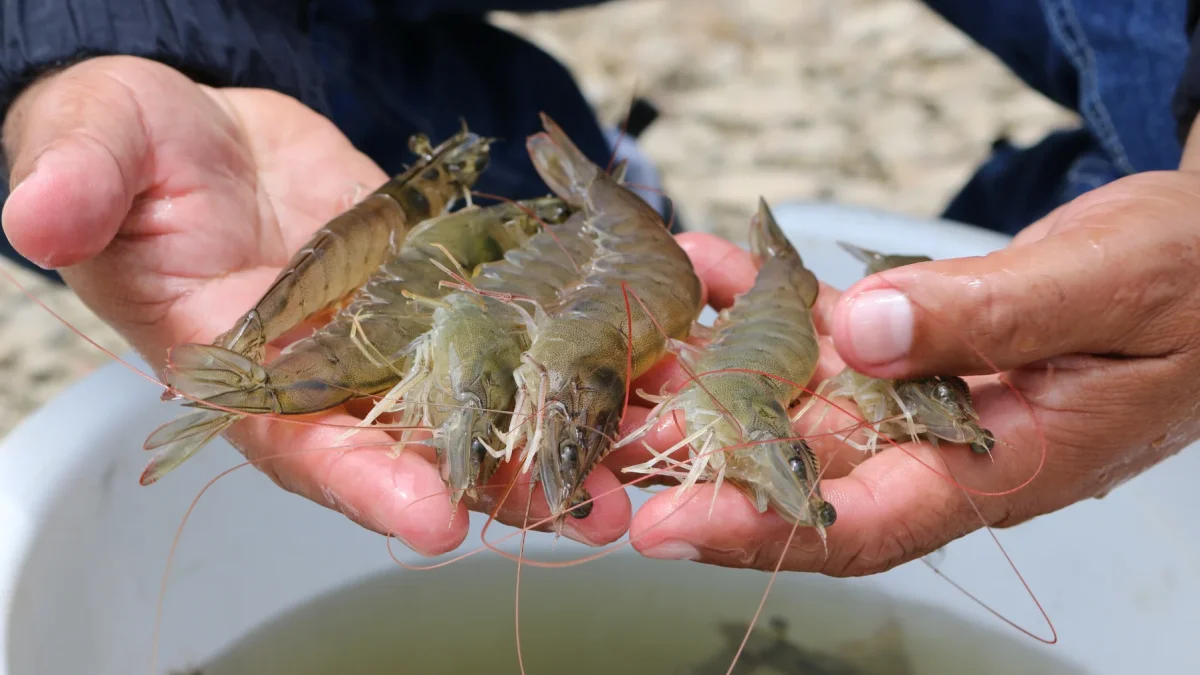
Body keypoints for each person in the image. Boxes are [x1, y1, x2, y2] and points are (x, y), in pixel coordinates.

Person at [2, 0, 1199, 575]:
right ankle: (589, 187)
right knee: (429, 185)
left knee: (1143, 136)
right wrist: (88, 38)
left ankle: (606, 194)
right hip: (533, 265)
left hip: (596, 284)